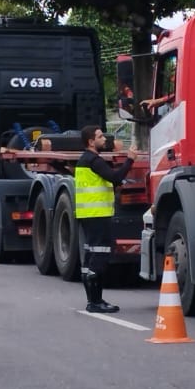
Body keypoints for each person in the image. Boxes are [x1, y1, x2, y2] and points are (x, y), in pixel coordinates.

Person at [75, 125, 138, 313]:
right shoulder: (93, 160)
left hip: (88, 214)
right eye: (100, 136)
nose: (104, 139)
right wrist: (130, 160)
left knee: (90, 255)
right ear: (91, 142)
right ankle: (95, 302)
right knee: (100, 255)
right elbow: (115, 177)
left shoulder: (84, 160)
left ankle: (93, 300)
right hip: (98, 214)